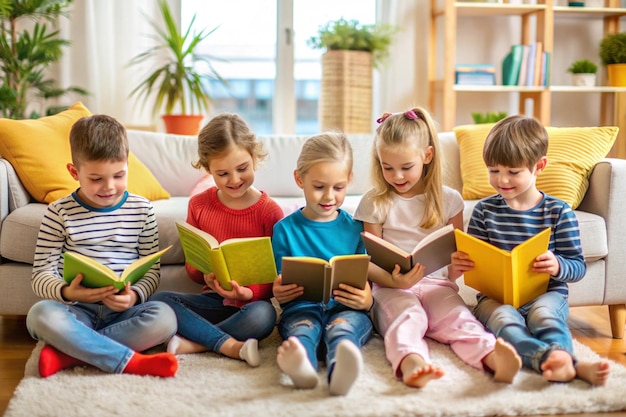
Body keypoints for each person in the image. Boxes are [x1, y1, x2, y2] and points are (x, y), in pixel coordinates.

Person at [353, 108, 521, 389]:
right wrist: (392, 280)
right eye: (387, 167)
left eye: (406, 167)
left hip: (437, 285)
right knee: (409, 317)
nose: (397, 176)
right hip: (391, 287)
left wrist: (458, 266)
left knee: (459, 318)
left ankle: (492, 357)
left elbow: (455, 258)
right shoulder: (375, 201)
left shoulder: (449, 200)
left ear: (427, 156)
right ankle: (412, 362)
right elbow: (368, 260)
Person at [450, 115, 611, 386]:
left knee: (544, 316)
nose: (502, 180)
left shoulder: (559, 212)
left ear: (539, 167)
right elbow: (475, 259)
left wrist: (557, 265)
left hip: (546, 294)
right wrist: (460, 263)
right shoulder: (484, 211)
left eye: (513, 172)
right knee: (503, 319)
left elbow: (577, 266)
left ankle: (560, 358)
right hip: (496, 297)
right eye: (493, 170)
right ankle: (559, 360)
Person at [26, 114, 179, 378]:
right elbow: (41, 274)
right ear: (74, 172)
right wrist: (67, 291)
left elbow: (151, 272)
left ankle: (68, 352)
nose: (109, 187)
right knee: (39, 314)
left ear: (127, 166)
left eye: (118, 175)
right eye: (96, 179)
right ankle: (129, 361)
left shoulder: (142, 209)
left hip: (124, 312)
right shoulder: (58, 212)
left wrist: (133, 296)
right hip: (76, 310)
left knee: (165, 318)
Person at [150, 113, 283, 367]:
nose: (234, 180)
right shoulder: (199, 205)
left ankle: (195, 342)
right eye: (222, 173)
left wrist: (246, 293)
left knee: (264, 317)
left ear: (254, 158)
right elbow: (192, 267)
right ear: (207, 168)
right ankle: (229, 343)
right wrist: (205, 275)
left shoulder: (270, 212)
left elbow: (276, 274)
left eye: (242, 168)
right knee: (159, 301)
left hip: (250, 305)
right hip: (212, 299)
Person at [271, 132, 373, 396]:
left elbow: (366, 279)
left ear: (349, 180)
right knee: (301, 330)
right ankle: (300, 365)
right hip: (301, 308)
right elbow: (280, 280)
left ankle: (340, 369)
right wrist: (279, 292)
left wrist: (367, 300)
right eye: (319, 187)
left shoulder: (356, 229)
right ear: (299, 179)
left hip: (346, 308)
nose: (329, 196)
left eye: (338, 187)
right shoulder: (284, 230)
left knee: (344, 330)